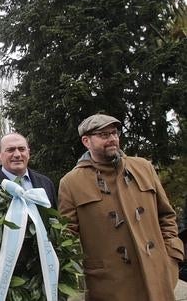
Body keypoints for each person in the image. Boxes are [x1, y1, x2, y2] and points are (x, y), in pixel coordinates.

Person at [59, 113, 184, 300]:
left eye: (114, 133)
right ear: (86, 141)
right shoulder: (70, 183)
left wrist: (172, 255)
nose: (112, 139)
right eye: (103, 135)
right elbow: (67, 236)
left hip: (157, 276)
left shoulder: (143, 167)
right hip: (108, 285)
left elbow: (166, 215)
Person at [0, 132, 57, 208]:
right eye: (10, 150)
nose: (17, 155)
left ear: (28, 153)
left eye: (22, 149)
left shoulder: (46, 183)